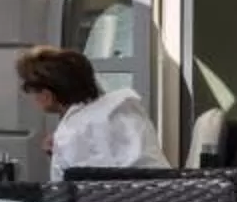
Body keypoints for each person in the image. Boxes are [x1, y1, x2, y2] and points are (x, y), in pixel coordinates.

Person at [17, 44, 166, 180]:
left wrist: (60, 154)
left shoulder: (70, 133)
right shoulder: (124, 108)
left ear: (47, 94)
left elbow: (72, 191)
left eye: (31, 91)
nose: (33, 98)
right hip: (165, 199)